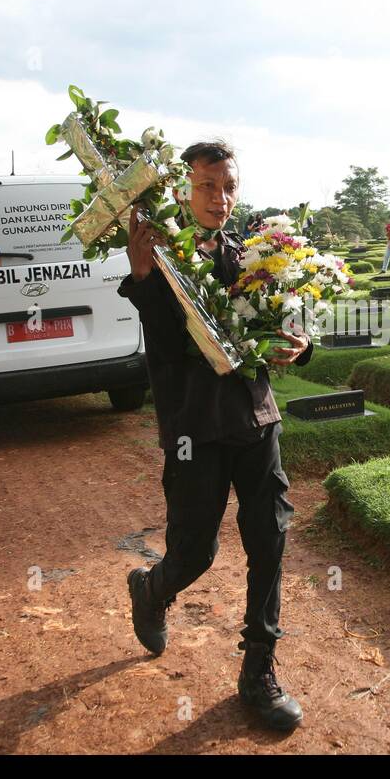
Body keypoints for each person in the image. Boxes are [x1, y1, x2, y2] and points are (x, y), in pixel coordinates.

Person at [118, 140, 313, 732]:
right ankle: (153, 588)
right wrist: (145, 275)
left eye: (228, 186)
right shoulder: (165, 256)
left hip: (257, 420)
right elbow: (164, 345)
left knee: (269, 540)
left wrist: (302, 345)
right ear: (183, 188)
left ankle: (258, 672)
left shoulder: (255, 257)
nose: (220, 199)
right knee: (195, 552)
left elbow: (287, 321)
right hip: (194, 429)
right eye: (207, 186)